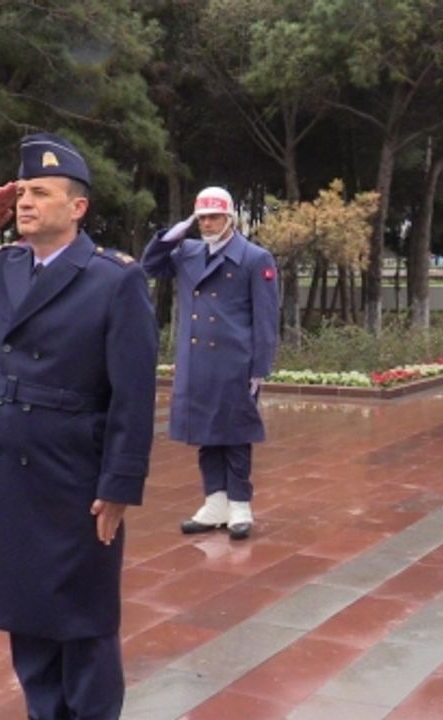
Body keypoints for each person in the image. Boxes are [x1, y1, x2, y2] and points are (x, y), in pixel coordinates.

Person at [0, 132, 157, 720]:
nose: (25, 202)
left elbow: (133, 397)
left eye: (40, 192)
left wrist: (118, 487)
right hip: (9, 471)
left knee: (84, 622)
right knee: (28, 616)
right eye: (21, 192)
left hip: (74, 475)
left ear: (78, 207)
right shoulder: (3, 268)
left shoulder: (114, 279)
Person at [143, 186, 280, 541]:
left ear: (229, 218)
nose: (207, 224)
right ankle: (214, 500)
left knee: (234, 434)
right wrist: (177, 230)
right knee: (205, 433)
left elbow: (265, 319)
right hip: (197, 359)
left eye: (213, 217)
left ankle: (239, 504)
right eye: (201, 217)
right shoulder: (187, 251)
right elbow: (151, 264)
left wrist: (260, 368)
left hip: (235, 359)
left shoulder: (254, 257)